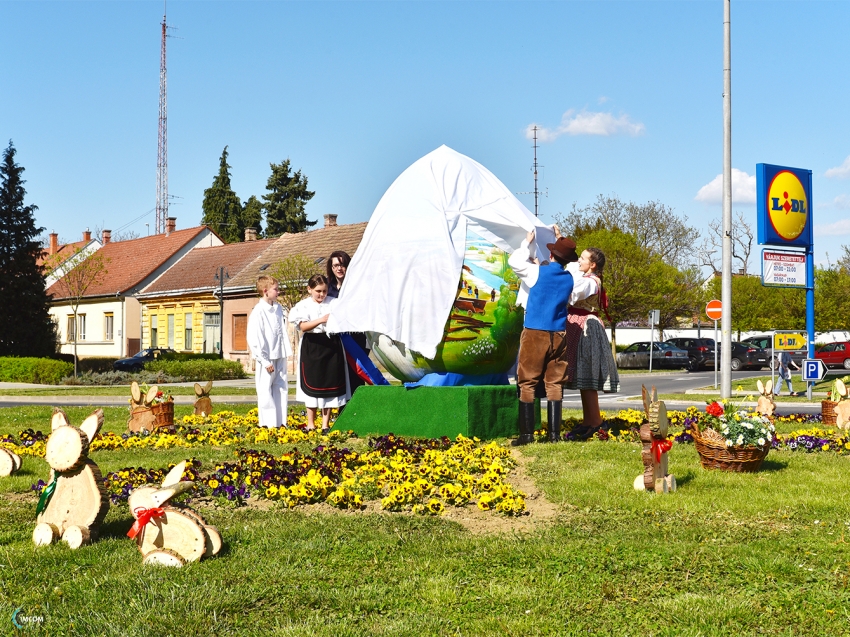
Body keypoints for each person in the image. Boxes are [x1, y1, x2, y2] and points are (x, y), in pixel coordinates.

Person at [508, 230, 577, 445]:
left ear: (553, 255)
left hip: (535, 332)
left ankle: (527, 435)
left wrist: (526, 244)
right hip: (558, 334)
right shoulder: (569, 278)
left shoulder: (536, 272)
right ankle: (554, 436)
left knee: (527, 381)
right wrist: (560, 238)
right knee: (555, 382)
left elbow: (514, 261)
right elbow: (571, 266)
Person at [563, 248, 620, 440]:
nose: (579, 260)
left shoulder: (590, 282)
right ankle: (589, 420)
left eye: (583, 258)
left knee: (586, 373)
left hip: (586, 327)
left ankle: (595, 421)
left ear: (593, 264)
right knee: (581, 375)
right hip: (579, 327)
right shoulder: (585, 277)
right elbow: (572, 267)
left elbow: (574, 292)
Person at [290, 274, 350, 433]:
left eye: (324, 291)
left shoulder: (333, 303)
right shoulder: (303, 305)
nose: (321, 295)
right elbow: (303, 327)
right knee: (312, 384)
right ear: (309, 289)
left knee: (330, 384)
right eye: (317, 291)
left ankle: (325, 424)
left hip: (331, 345)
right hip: (312, 345)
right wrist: (321, 319)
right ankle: (311, 423)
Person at [247, 275, 293, 428]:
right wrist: (264, 360)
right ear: (266, 291)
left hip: (279, 353)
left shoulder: (278, 309)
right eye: (276, 289)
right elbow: (254, 337)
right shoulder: (259, 311)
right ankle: (268, 423)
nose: (278, 292)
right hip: (266, 357)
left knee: (281, 387)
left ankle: (281, 422)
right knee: (265, 389)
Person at [326, 249, 370, 394]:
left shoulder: (358, 286)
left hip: (356, 338)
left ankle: (357, 409)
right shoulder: (328, 289)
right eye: (336, 265)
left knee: (356, 375)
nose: (339, 268)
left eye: (342, 265)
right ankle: (340, 410)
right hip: (336, 340)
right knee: (338, 376)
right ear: (331, 268)